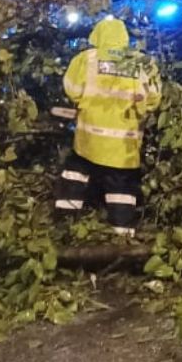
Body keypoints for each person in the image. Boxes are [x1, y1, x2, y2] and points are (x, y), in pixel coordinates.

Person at [54, 16, 161, 237]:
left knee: (75, 173)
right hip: (124, 146)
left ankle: (64, 227)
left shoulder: (87, 59)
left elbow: (72, 89)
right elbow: (153, 99)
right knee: (121, 188)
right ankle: (123, 238)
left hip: (89, 141)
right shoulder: (142, 63)